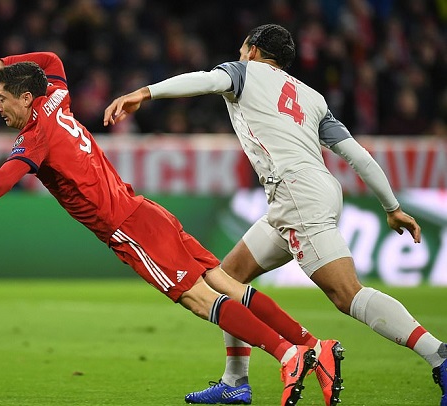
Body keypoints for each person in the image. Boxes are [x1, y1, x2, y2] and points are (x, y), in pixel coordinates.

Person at [0, 51, 344, 406]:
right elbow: (53, 61)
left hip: (128, 228)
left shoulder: (35, 135)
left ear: (25, 98)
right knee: (225, 283)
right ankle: (312, 345)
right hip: (145, 210)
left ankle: (287, 355)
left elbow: (5, 177)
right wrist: (3, 65)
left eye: (2, 97)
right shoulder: (56, 97)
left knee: (199, 299)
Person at [103, 23, 447, 406]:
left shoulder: (243, 73)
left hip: (297, 195)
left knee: (347, 293)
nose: (238, 57)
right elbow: (357, 155)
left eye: (241, 50)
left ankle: (439, 355)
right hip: (309, 193)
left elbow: (205, 80)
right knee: (228, 277)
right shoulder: (312, 98)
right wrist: (392, 207)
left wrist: (144, 92)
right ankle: (235, 381)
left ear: (252, 50)